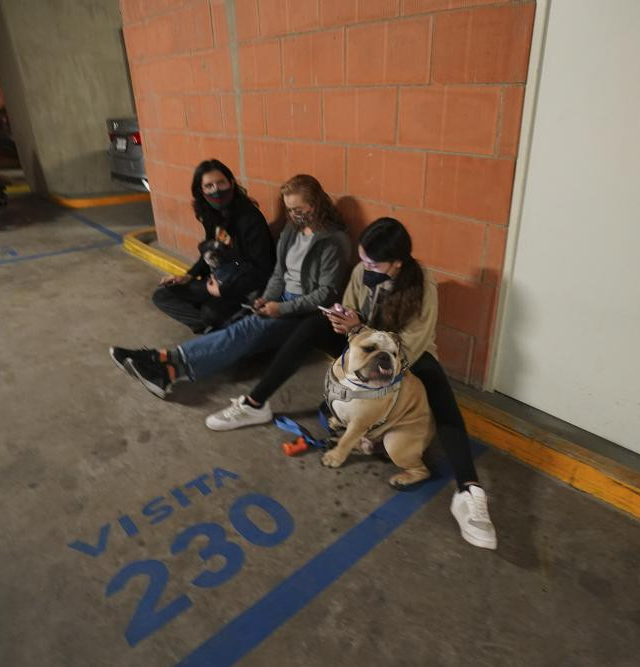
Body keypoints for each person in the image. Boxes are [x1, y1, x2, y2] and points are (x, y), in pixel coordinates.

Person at [205, 217, 498, 550]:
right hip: (361, 344)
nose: (365, 267)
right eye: (363, 258)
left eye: (374, 263)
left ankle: (469, 492)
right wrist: (341, 320)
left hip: (402, 354)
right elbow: (349, 309)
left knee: (441, 395)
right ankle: (254, 404)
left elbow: (412, 342)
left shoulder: (423, 284)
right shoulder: (362, 273)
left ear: (397, 262)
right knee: (310, 327)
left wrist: (363, 329)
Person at [110, 174, 350, 397]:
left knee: (242, 332)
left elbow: (325, 294)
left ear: (316, 203)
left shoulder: (332, 241)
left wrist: (281, 309)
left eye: (299, 209)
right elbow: (280, 273)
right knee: (237, 332)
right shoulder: (292, 230)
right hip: (281, 301)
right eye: (289, 209)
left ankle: (163, 362)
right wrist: (268, 299)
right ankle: (166, 368)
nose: (294, 215)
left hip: (306, 315)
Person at [151, 159, 274, 334]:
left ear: (231, 183)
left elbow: (262, 270)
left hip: (244, 287)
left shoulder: (250, 219)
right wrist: (189, 275)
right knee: (163, 295)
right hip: (217, 281)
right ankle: (213, 327)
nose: (216, 190)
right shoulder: (211, 215)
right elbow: (210, 253)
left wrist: (223, 289)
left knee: (211, 312)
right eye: (209, 186)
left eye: (221, 182)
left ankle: (220, 323)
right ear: (201, 191)